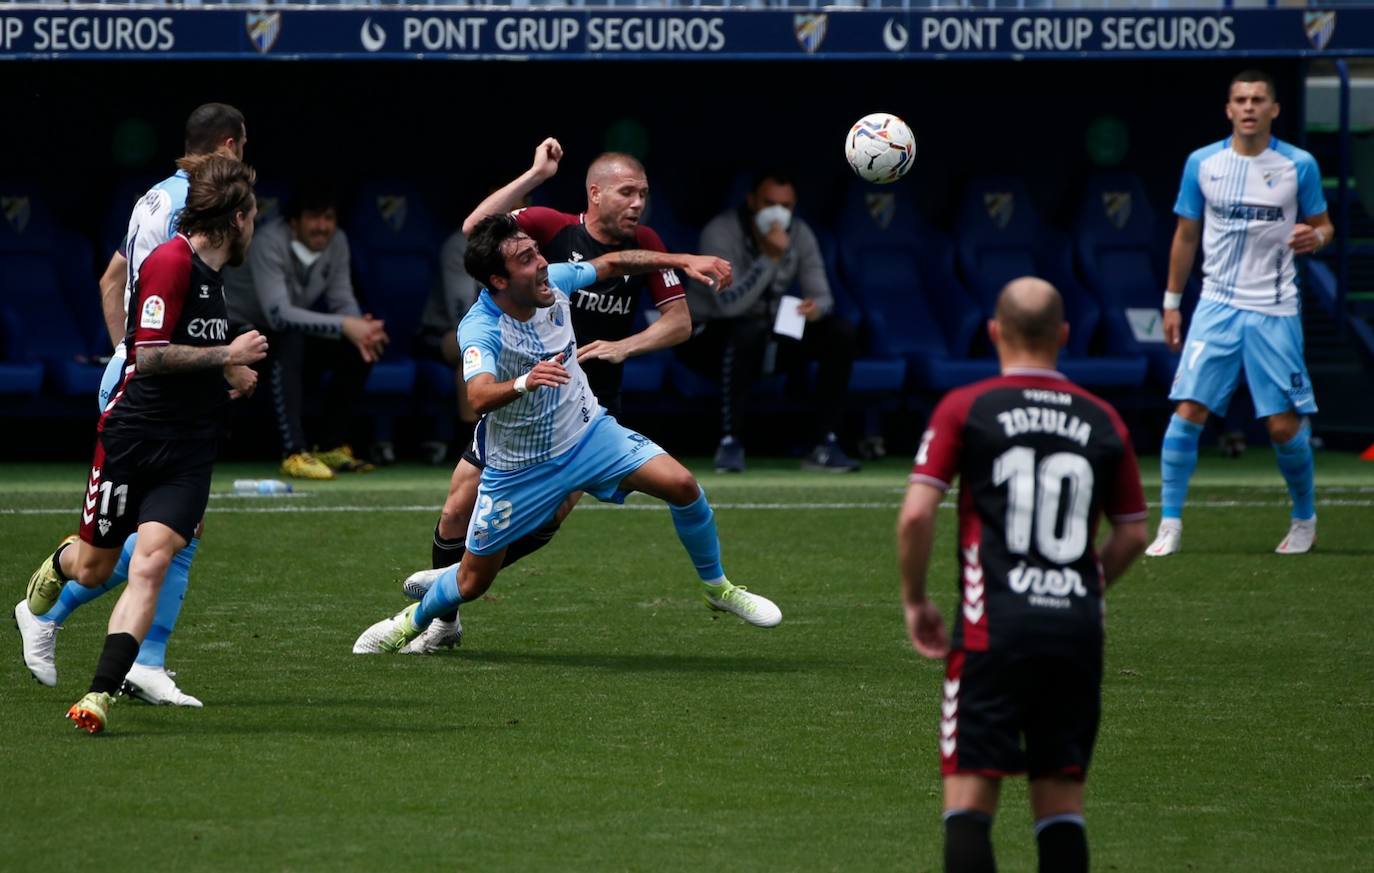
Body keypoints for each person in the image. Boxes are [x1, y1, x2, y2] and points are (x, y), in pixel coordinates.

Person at [353, 214, 777, 655]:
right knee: (472, 581)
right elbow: (477, 397)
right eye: (526, 259)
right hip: (519, 465)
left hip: (588, 435)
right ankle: (409, 622)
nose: (541, 263)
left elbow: (613, 263)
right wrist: (525, 381)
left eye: (536, 251)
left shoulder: (553, 280)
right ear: (498, 279)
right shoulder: (480, 327)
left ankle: (718, 587)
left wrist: (684, 259)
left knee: (683, 485)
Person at [399, 140, 723, 654]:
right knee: (459, 502)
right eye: (627, 192)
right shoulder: (551, 230)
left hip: (587, 399)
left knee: (550, 515)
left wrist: (624, 345)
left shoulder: (648, 243)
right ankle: (446, 615)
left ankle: (455, 587)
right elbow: (476, 231)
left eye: (644, 193)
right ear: (595, 193)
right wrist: (535, 174)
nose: (638, 203)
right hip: (524, 392)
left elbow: (679, 323)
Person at [899, 278, 1148, 873]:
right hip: (1076, 632)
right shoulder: (1104, 416)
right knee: (1061, 803)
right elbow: (1134, 533)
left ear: (993, 332)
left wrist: (916, 601)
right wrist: (1082, 588)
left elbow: (915, 515)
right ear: (1064, 335)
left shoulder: (968, 406)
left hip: (994, 632)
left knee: (970, 797)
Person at [16, 102, 247, 707]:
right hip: (148, 392)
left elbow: (112, 281)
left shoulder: (151, 197)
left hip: (150, 376)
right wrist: (152, 359)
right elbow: (161, 311)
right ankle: (104, 637)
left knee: (166, 541)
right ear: (227, 151)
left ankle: (140, 661)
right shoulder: (184, 216)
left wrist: (128, 351)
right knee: (123, 552)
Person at [1148, 69, 1333, 558]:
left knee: (1280, 427)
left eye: (1258, 99)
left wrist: (1315, 238)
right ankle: (1168, 524)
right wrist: (1171, 302)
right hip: (1216, 306)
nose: (1249, 107)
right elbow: (1186, 236)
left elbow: (1324, 225)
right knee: (1188, 410)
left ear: (1275, 109)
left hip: (1275, 308)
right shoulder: (1202, 164)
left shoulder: (1300, 165)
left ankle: (1304, 519)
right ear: (1228, 109)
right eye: (1240, 99)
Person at [678, 170, 861, 473]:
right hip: (707, 338)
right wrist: (770, 258)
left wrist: (815, 309)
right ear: (752, 202)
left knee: (839, 332)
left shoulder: (800, 234)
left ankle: (823, 445)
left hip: (768, 334)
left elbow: (824, 296)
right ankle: (730, 443)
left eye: (786, 206)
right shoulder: (720, 232)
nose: (778, 213)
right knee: (744, 329)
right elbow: (729, 306)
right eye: (769, 203)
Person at [225, 181, 388, 480]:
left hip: (288, 330)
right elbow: (278, 317)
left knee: (360, 348)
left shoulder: (337, 241)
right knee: (290, 340)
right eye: (314, 218)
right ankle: (294, 452)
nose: (322, 227)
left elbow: (342, 300)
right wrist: (345, 325)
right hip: (239, 331)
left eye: (328, 218)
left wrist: (361, 330)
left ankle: (329, 444)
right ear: (294, 222)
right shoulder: (268, 242)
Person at [415, 227, 480, 465]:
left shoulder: (520, 242)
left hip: (496, 329)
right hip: (441, 332)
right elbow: (461, 314)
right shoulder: (460, 245)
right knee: (474, 351)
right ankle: (469, 444)